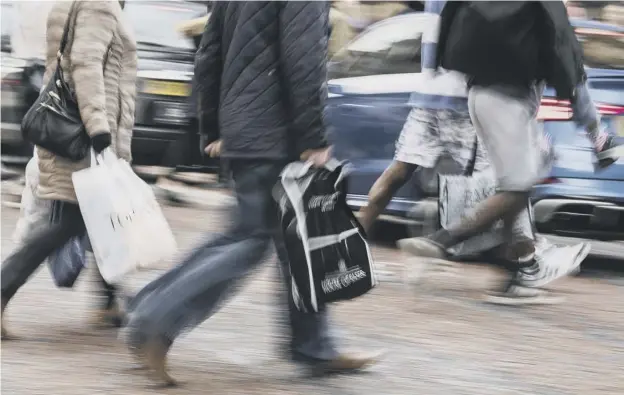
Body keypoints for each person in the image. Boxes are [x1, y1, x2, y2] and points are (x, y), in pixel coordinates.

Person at [125, 1, 379, 386]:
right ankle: (155, 319)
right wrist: (314, 136)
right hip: (278, 137)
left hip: (244, 131)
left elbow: (210, 49)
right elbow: (303, 56)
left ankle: (315, 347)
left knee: (291, 241)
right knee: (251, 238)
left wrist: (212, 127)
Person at [398, 1, 611, 304]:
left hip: (479, 96)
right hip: (507, 102)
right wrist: (596, 133)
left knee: (515, 189)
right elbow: (569, 61)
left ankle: (518, 276)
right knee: (516, 187)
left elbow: (445, 25)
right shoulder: (544, 5)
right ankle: (438, 243)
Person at [1, 0, 138, 339]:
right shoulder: (97, 4)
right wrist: (99, 128)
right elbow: (85, 65)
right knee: (73, 220)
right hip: (86, 137)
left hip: (78, 133)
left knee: (98, 217)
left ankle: (109, 302)